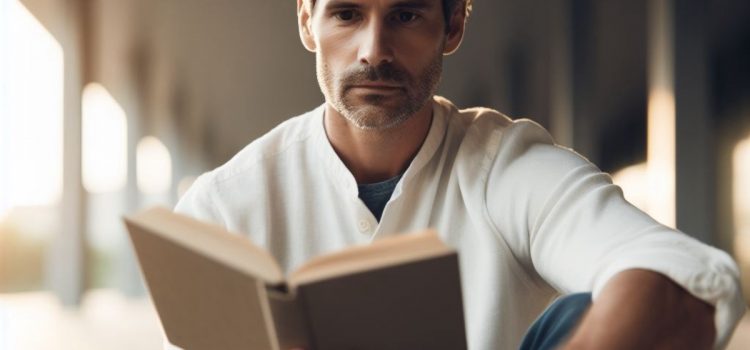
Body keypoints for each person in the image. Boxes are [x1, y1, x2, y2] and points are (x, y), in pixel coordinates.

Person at [172, 0, 746, 348]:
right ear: (307, 20)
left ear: (453, 24)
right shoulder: (223, 207)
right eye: (347, 14)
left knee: (591, 312)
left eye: (405, 15)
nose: (374, 50)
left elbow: (683, 278)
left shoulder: (505, 165)